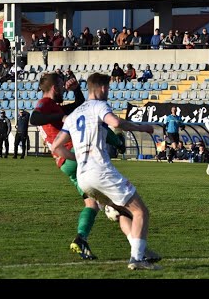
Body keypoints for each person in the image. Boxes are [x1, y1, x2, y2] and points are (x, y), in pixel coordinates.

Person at [51, 73, 160, 270]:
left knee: (122, 212)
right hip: (101, 171)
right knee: (140, 211)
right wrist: (142, 128)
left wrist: (78, 158)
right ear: (101, 88)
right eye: (107, 88)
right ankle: (137, 258)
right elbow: (116, 123)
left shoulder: (74, 114)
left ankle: (140, 250)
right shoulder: (99, 106)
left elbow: (56, 147)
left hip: (83, 177)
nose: (108, 92)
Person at [30, 72, 134, 261]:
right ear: (55, 88)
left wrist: (77, 90)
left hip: (64, 162)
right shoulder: (45, 104)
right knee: (97, 126)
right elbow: (34, 119)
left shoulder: (54, 106)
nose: (63, 89)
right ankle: (133, 238)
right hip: (72, 154)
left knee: (91, 204)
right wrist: (61, 115)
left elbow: (78, 106)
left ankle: (80, 239)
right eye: (61, 86)